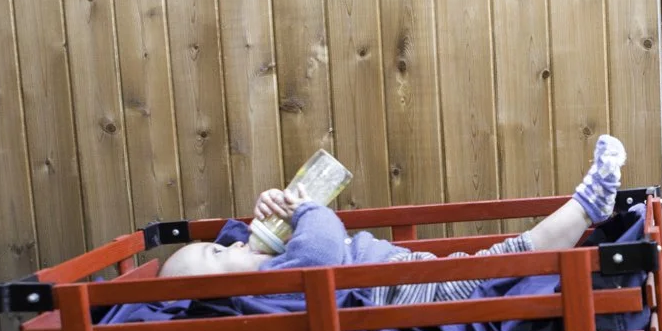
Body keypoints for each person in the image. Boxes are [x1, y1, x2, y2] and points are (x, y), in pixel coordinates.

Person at [158, 135, 628, 311]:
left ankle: (587, 208)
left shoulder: (261, 270)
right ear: (227, 296)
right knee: (506, 261)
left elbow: (246, 238)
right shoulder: (269, 286)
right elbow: (322, 249)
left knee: (499, 265)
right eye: (220, 253)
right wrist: (306, 212)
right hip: (411, 298)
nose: (234, 245)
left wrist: (268, 206)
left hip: (407, 278)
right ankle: (588, 205)